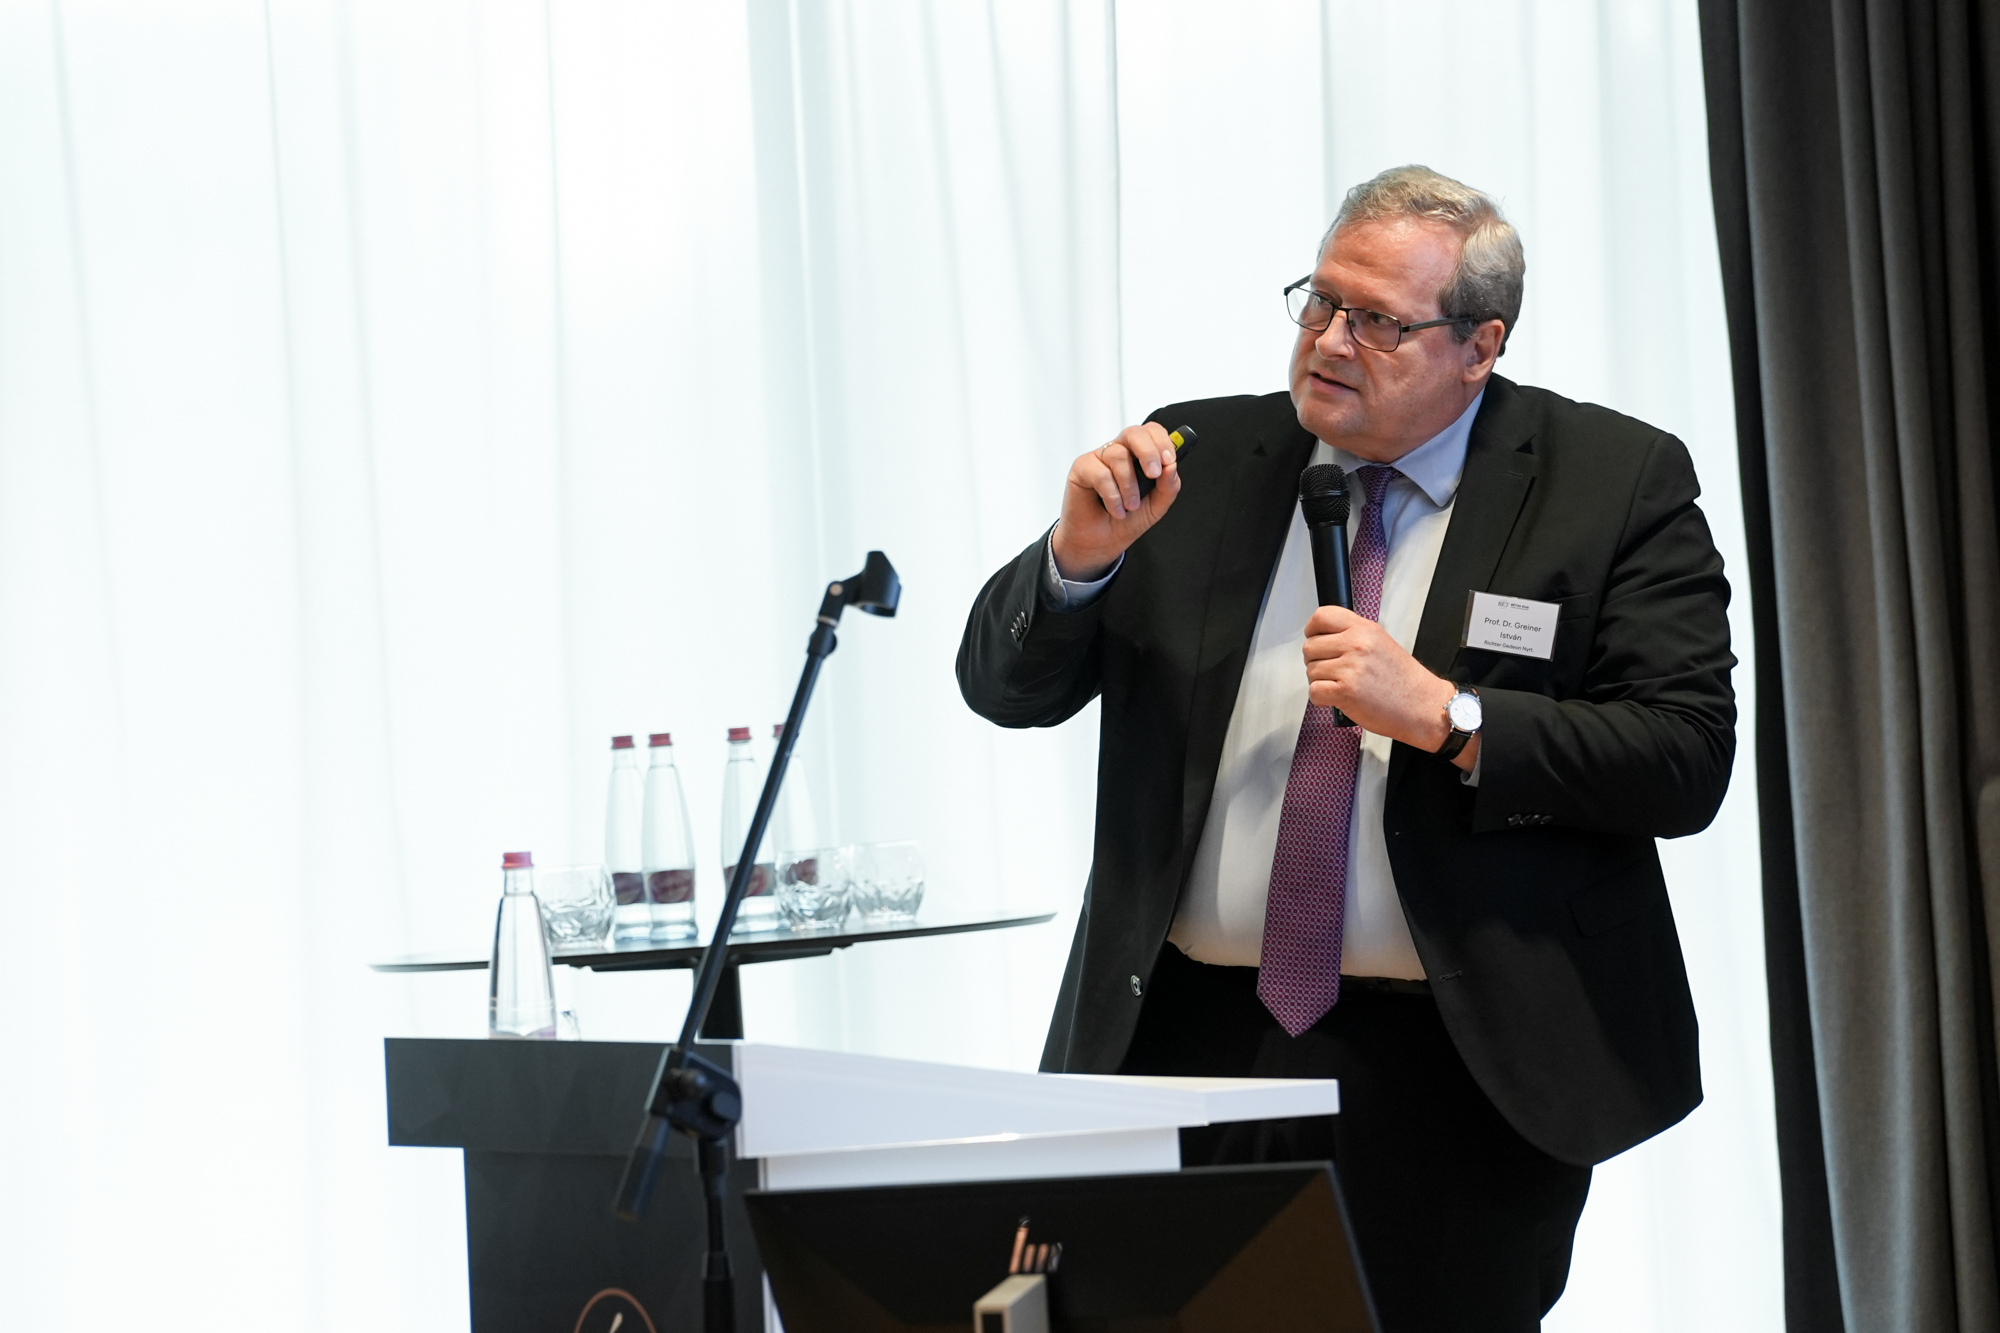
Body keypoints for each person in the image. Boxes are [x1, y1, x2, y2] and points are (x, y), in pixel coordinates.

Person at [956, 165, 1735, 1331]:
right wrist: (1075, 561)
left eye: (1377, 320)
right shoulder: (1198, 458)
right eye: (1318, 301)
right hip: (1183, 1036)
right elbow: (1002, 690)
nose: (1327, 341)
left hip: (1456, 1061)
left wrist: (1446, 716)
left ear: (1478, 345)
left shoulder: (1609, 481)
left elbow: (1681, 756)